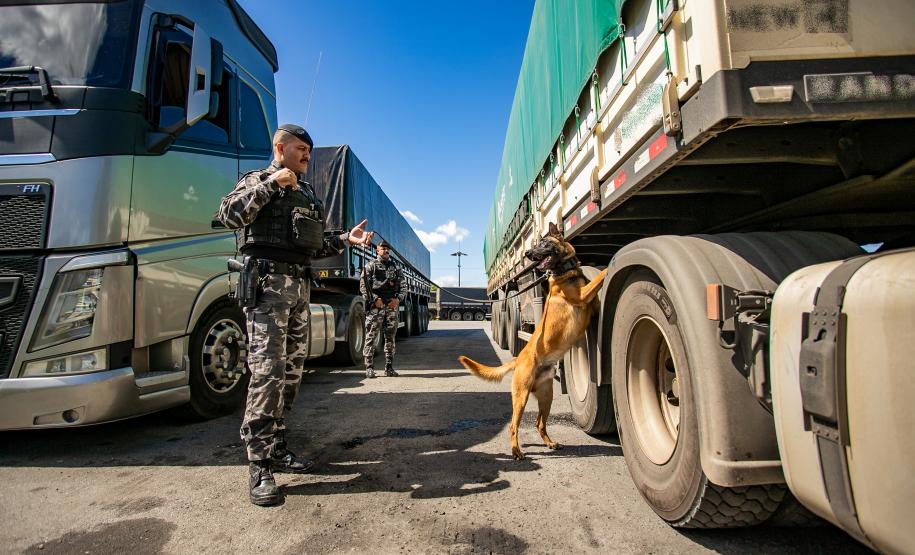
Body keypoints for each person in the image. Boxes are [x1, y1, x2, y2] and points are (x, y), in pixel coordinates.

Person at [216, 123, 374, 506]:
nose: (306, 155)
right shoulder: (258, 180)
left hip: (300, 290)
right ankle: (259, 466)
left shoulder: (306, 193)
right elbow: (228, 215)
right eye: (300, 148)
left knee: (290, 373)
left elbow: (311, 247)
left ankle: (279, 446)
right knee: (266, 373)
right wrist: (272, 185)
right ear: (279, 147)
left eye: (308, 149)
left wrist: (343, 240)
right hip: (267, 291)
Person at [360, 240, 404, 378]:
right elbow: (363, 286)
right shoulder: (370, 266)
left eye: (387, 249)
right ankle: (369, 367)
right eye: (382, 248)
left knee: (390, 338)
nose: (385, 251)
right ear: (377, 250)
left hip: (391, 306)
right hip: (376, 307)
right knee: (371, 337)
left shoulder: (395, 267)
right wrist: (374, 299)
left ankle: (389, 367)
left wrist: (398, 300)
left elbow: (403, 285)